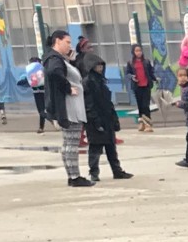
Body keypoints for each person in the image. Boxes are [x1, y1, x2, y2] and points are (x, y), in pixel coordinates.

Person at [42, 29, 90, 187]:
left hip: (71, 108)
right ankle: (74, 176)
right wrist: (68, 88)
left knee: (70, 143)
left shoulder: (59, 59)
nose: (70, 46)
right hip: (69, 109)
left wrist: (70, 61)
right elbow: (54, 73)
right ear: (57, 41)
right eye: (67, 42)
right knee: (71, 143)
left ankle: (73, 175)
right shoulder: (54, 59)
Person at [82, 51, 132, 181]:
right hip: (95, 120)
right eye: (97, 66)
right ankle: (94, 173)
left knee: (111, 147)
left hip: (106, 118)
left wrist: (114, 119)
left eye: (101, 66)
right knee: (95, 148)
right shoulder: (88, 82)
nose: (100, 68)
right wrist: (95, 120)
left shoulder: (101, 81)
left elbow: (108, 102)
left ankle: (117, 170)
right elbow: (89, 103)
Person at [127, 43, 156, 131]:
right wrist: (132, 77)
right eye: (136, 51)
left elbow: (151, 72)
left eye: (140, 50)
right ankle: (142, 123)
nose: (138, 52)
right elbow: (127, 73)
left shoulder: (146, 61)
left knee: (145, 105)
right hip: (137, 86)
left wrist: (155, 79)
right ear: (133, 52)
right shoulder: (130, 63)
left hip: (146, 85)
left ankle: (148, 124)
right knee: (140, 106)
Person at [25, 55, 47, 131]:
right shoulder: (42, 68)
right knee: (44, 109)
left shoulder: (29, 70)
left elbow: (27, 80)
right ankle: (42, 127)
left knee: (41, 110)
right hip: (44, 91)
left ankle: (42, 127)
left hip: (36, 92)